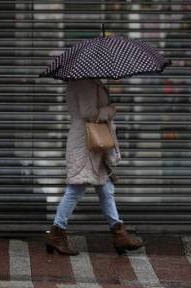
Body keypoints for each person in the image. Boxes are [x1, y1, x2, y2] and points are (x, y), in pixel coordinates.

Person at [45, 78, 143, 256]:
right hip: (86, 144)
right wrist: (110, 110)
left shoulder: (90, 81)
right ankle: (56, 234)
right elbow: (89, 113)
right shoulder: (84, 82)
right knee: (75, 190)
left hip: (94, 144)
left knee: (106, 190)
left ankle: (119, 235)